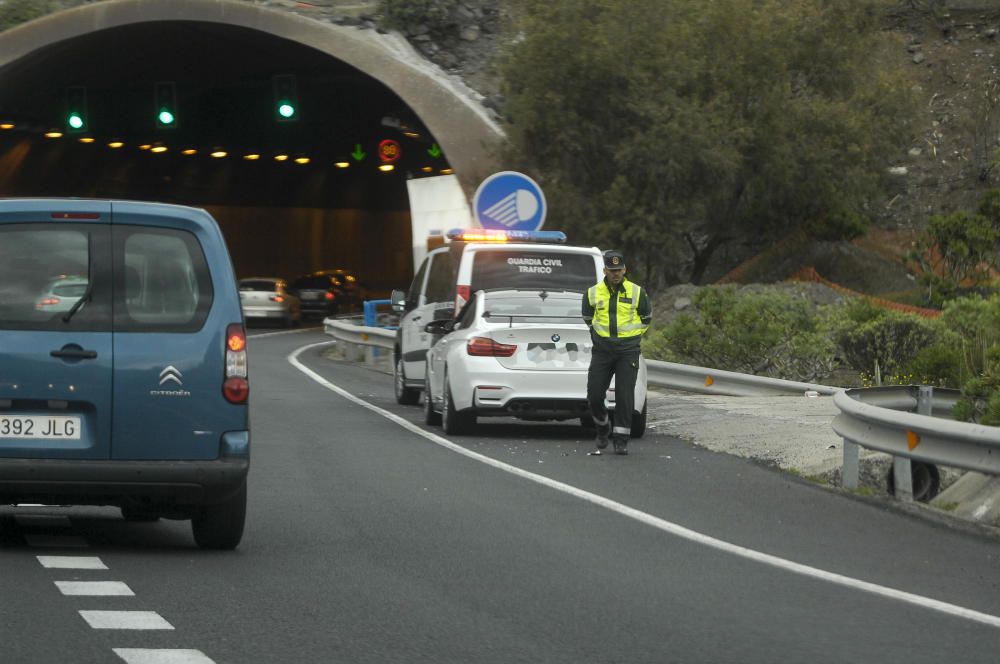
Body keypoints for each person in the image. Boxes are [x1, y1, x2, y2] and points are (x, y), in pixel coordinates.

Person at [582, 250, 652, 455]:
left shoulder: (637, 292)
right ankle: (603, 426)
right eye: (612, 270)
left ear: (625, 269)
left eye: (619, 270)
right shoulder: (593, 292)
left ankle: (621, 439)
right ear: (604, 270)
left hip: (627, 352)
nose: (615, 274)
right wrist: (598, 335)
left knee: (624, 396)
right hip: (602, 351)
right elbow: (587, 316)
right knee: (594, 394)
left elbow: (646, 317)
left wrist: (632, 338)